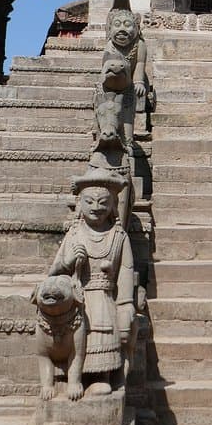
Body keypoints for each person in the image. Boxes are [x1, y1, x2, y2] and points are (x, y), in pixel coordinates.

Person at [49, 166, 136, 392]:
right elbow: (54, 275)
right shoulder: (74, 234)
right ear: (80, 204)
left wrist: (125, 305)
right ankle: (72, 375)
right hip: (78, 299)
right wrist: (68, 262)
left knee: (104, 324)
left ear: (113, 206)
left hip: (105, 299)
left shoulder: (119, 237)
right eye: (89, 202)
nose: (96, 208)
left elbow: (126, 274)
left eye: (103, 202)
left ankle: (101, 375)